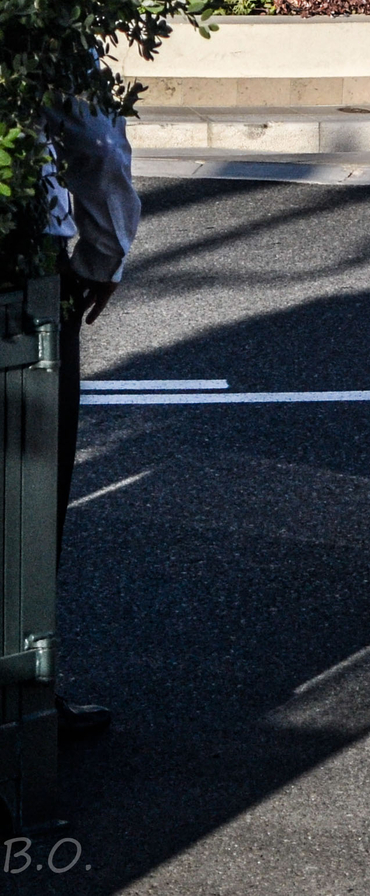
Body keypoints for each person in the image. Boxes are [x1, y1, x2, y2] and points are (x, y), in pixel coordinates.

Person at [42, 97, 137, 740]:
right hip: (19, 267)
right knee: (31, 488)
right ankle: (25, 690)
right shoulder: (50, 7)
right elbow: (98, 145)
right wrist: (100, 261)